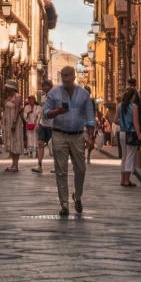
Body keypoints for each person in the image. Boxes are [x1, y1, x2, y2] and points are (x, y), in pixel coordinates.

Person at [40, 63, 96, 217]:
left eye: (68, 79)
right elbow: (45, 113)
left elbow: (90, 117)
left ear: (74, 77)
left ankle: (77, 196)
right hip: (59, 134)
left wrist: (90, 137)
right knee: (61, 171)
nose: (65, 82)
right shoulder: (54, 93)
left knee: (81, 169)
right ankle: (64, 204)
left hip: (78, 135)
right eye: (63, 79)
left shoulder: (84, 95)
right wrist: (57, 111)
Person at [117, 87, 141, 185]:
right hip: (131, 133)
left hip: (122, 133)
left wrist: (123, 124)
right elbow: (136, 122)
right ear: (132, 96)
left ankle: (122, 180)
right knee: (130, 157)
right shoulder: (134, 106)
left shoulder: (119, 106)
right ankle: (127, 180)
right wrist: (139, 135)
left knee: (124, 157)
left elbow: (115, 120)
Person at [0, 89, 25, 172]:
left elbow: (17, 110)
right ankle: (13, 164)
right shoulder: (9, 97)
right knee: (11, 142)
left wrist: (14, 122)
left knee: (16, 141)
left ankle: (16, 164)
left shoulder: (17, 96)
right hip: (8, 122)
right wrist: (3, 120)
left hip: (15, 122)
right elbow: (5, 111)